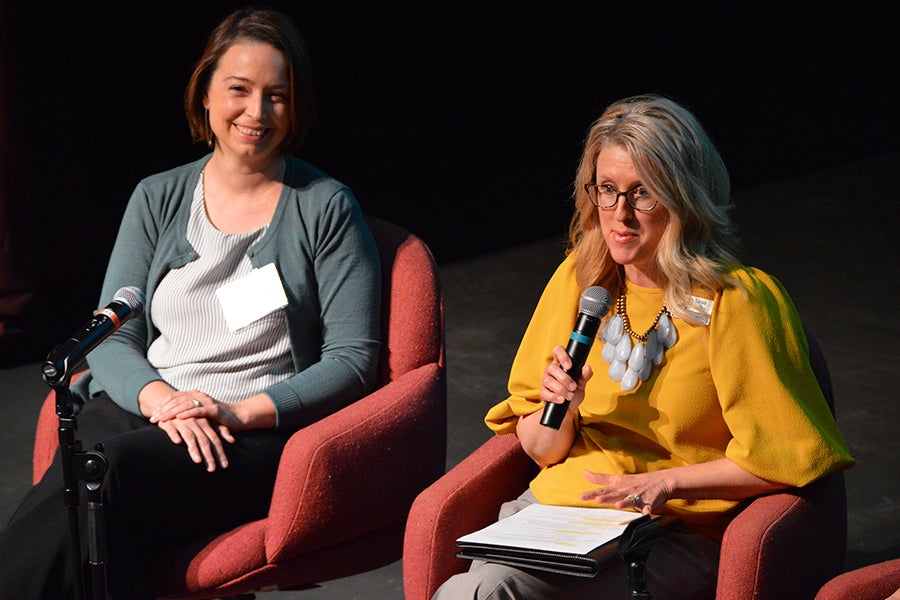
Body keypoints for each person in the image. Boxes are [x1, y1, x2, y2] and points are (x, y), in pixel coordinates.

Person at [0, 7, 382, 599]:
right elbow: (113, 334)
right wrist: (167, 402)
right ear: (205, 94)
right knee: (89, 483)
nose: (256, 112)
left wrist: (233, 413)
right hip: (147, 410)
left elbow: (354, 359)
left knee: (104, 476)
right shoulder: (157, 197)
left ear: (296, 106)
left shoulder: (325, 206)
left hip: (245, 435)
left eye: (276, 96)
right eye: (239, 90)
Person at [433, 94, 855, 599]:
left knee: (485, 593)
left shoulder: (736, 302)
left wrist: (671, 483)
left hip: (671, 529)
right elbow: (542, 450)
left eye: (643, 194)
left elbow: (783, 460)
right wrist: (560, 409)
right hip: (561, 517)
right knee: (478, 590)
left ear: (685, 198)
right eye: (607, 190)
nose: (620, 215)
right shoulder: (581, 281)